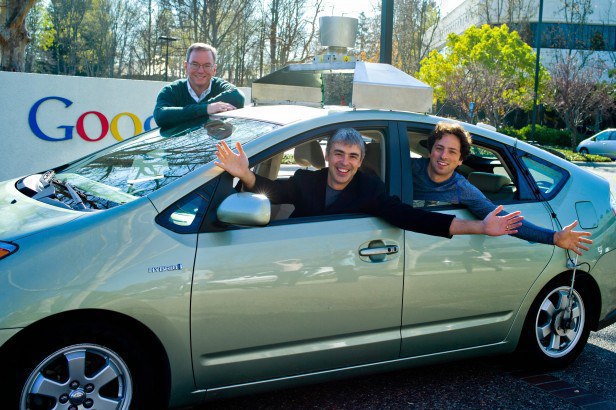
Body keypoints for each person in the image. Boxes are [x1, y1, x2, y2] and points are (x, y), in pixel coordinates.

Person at [215, 128, 525, 239]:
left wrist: (481, 227)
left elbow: (414, 218)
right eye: (338, 153)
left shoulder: (370, 190)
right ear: (327, 154)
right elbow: (271, 190)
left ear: (361, 161)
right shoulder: (306, 180)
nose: (343, 162)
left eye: (352, 156)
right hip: (305, 256)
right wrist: (243, 173)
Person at [412, 121, 592, 255]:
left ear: (460, 160)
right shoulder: (407, 169)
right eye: (439, 148)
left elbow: (505, 220)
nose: (443, 156)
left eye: (452, 151)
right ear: (430, 151)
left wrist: (554, 237)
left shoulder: (462, 189)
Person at [153, 43, 245, 128]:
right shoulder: (171, 90)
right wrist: (207, 108)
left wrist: (192, 112)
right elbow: (160, 115)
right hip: (181, 145)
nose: (200, 71)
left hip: (217, 145)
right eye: (195, 64)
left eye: (207, 65)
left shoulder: (220, 87)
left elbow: (238, 97)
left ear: (214, 69)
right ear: (186, 66)